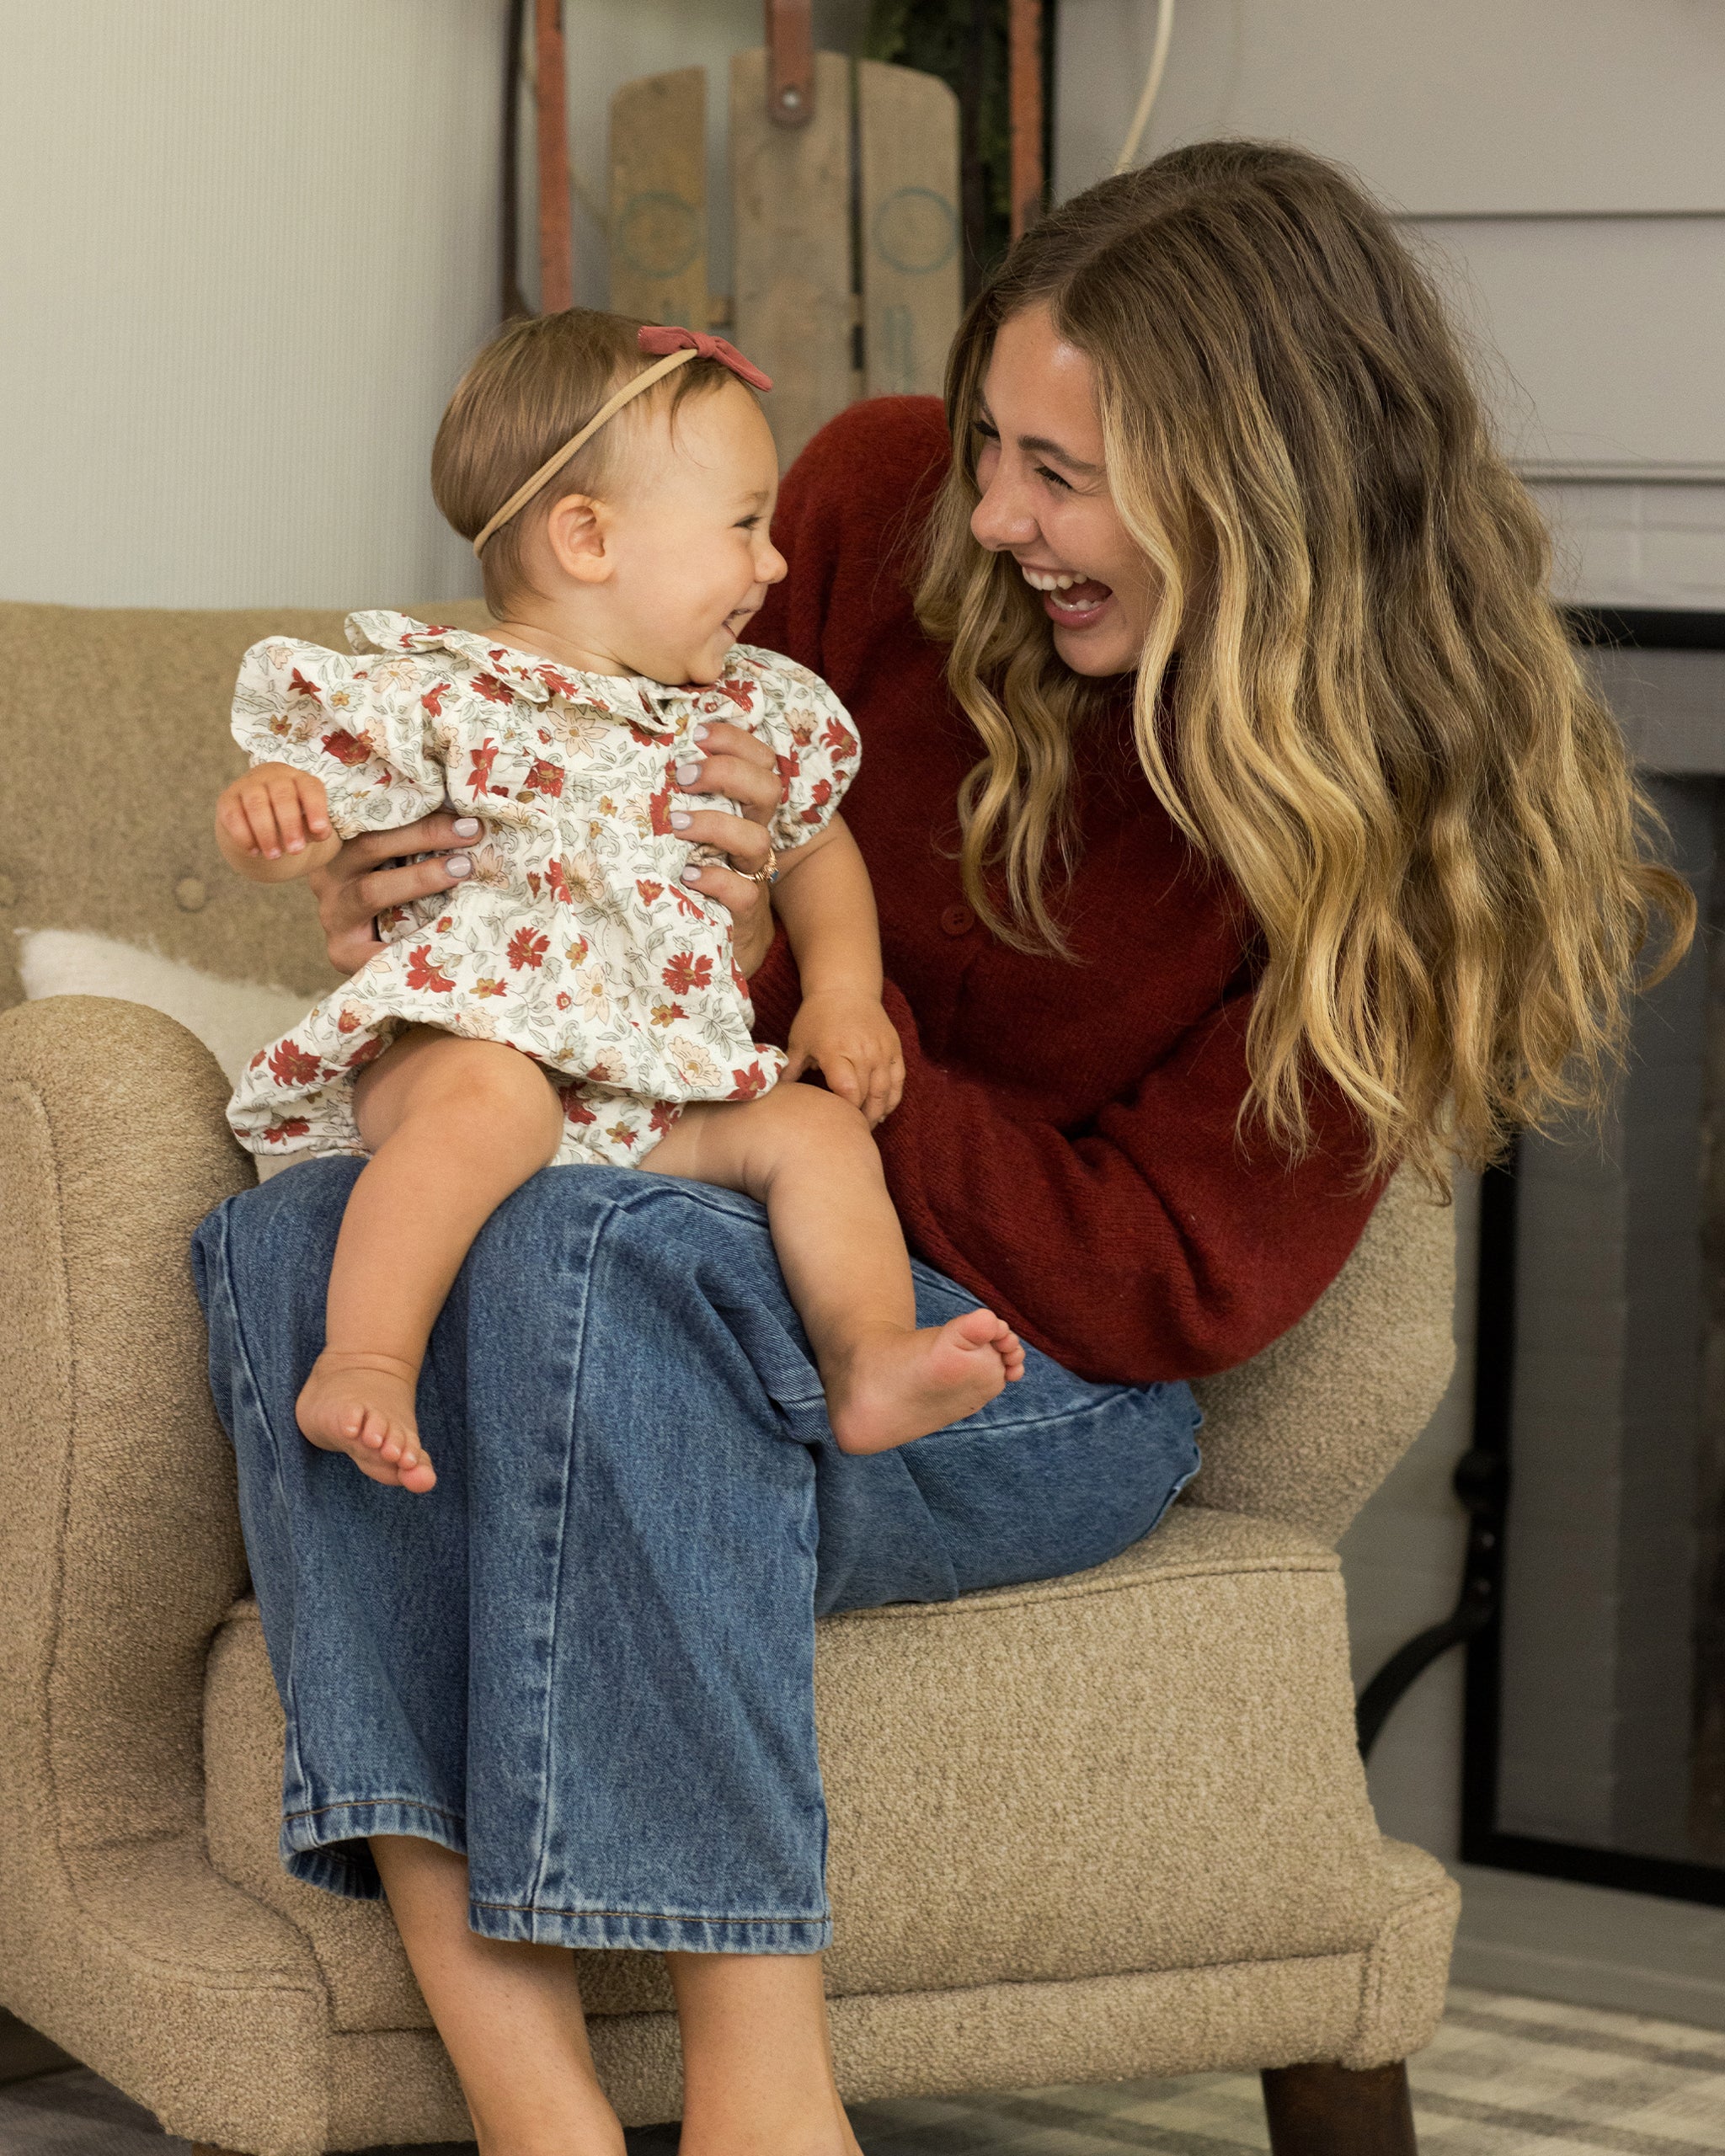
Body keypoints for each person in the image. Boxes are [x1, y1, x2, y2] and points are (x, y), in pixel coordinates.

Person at [192, 141, 1692, 2156]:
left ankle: (761, 2094)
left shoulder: (1400, 824)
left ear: (1255, 484)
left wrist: (826, 1050)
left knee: (581, 1259)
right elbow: (604, 728)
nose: (990, 515)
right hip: (692, 1168)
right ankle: (529, 2104)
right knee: (303, 1246)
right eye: (992, 439)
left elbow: (1168, 1276)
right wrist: (441, 908)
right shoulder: (875, 497)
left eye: (1059, 475)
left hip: (1024, 1372)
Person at [212, 313, 1022, 1485]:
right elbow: (328, 833)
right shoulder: (442, 693)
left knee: (814, 1129)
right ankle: (368, 1360)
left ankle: (871, 1357)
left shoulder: (748, 711)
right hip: (461, 1052)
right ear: (587, 538)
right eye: (745, 526)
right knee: (497, 1103)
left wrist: (843, 996)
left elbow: (815, 851)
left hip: (653, 1083)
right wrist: (276, 826)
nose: (774, 565)